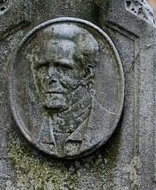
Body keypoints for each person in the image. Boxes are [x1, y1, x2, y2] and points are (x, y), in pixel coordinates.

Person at [27, 22, 101, 158]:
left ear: (86, 74)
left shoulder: (103, 125)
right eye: (42, 67)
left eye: (62, 67)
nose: (50, 77)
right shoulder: (31, 126)